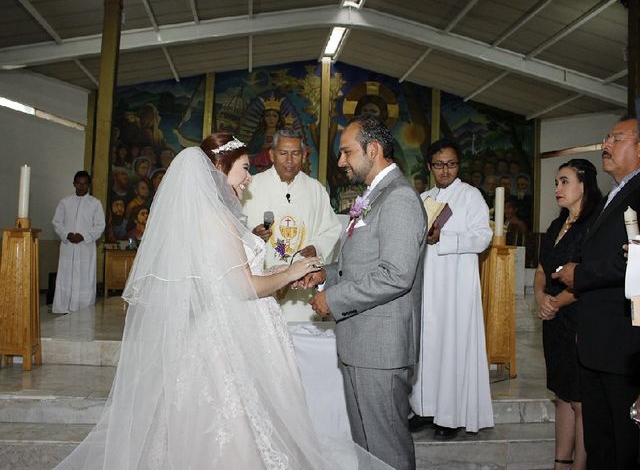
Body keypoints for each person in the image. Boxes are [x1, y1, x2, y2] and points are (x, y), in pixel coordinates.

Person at [54, 134, 392, 470]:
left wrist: (281, 269)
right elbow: (245, 287)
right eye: (244, 169)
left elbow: (230, 275)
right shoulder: (218, 220)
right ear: (220, 168)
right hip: (233, 334)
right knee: (235, 428)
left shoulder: (216, 216)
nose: (248, 178)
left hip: (234, 326)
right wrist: (293, 273)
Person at [304, 115, 427, 470]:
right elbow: (362, 264)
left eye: (347, 152)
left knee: (386, 448)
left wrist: (334, 299)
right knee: (368, 448)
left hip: (381, 349)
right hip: (363, 345)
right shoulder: (374, 196)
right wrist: (323, 275)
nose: (341, 162)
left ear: (373, 150)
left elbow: (396, 275)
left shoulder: (399, 198)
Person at [554, 116, 640, 469]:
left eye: (616, 139)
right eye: (606, 138)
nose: (606, 145)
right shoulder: (614, 195)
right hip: (597, 342)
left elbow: (634, 262)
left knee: (624, 445)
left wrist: (581, 274)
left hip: (623, 343)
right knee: (600, 442)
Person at [408, 139, 494, 439]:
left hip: (455, 286)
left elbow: (483, 237)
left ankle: (449, 416)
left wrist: (443, 239)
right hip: (426, 282)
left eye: (452, 164)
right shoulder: (423, 197)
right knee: (426, 346)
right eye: (439, 164)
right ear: (430, 166)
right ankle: (424, 409)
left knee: (451, 345)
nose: (446, 170)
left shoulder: (470, 196)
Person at [535, 159, 602, 470]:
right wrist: (539, 296)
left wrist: (555, 303)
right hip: (554, 321)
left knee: (580, 400)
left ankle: (580, 465)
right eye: (556, 183)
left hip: (578, 317)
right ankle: (560, 463)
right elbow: (541, 268)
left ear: (583, 185)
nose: (557, 188)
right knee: (562, 394)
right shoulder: (556, 224)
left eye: (564, 181)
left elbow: (588, 277)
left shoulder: (593, 226)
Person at [242, 128, 342, 321]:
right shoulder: (250, 186)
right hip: (261, 287)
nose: (289, 160)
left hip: (302, 293)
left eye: (295, 153)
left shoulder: (316, 190)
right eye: (283, 153)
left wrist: (317, 247)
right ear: (271, 154)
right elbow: (233, 233)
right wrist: (252, 235)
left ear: (304, 156)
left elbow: (331, 228)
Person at [51, 171, 105, 314]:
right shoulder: (65, 202)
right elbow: (57, 222)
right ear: (74, 184)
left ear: (89, 185)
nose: (81, 187)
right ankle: (63, 306)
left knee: (85, 277)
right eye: (79, 183)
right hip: (68, 247)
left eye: (85, 184)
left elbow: (100, 225)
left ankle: (83, 307)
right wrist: (66, 234)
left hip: (85, 247)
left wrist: (84, 237)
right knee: (66, 275)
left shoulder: (95, 203)